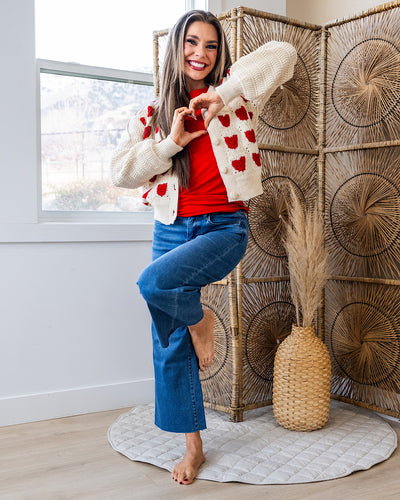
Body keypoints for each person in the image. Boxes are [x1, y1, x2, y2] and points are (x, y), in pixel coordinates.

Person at [110, 9, 297, 485]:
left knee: (152, 285)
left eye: (211, 45)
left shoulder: (235, 99)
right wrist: (169, 143)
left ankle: (200, 317)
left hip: (223, 227)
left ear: (219, 54)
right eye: (192, 42)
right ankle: (193, 446)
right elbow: (121, 173)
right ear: (176, 47)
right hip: (171, 229)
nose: (200, 53)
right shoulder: (153, 114)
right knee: (168, 338)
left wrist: (223, 93)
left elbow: (285, 55)